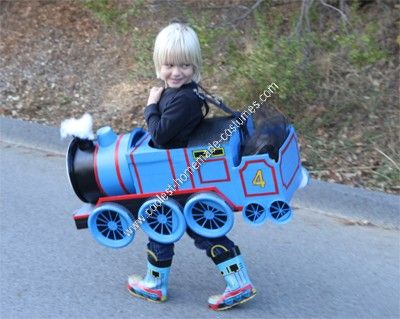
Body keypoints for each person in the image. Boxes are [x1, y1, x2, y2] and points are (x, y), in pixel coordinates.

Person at [127, 22, 256, 311]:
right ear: (159, 64)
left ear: (194, 65)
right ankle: (233, 282)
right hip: (179, 169)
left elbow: (159, 134)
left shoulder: (182, 99)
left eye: (184, 65)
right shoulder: (185, 93)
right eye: (170, 64)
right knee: (174, 227)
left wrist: (150, 105)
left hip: (177, 173)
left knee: (181, 228)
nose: (176, 72)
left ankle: (160, 284)